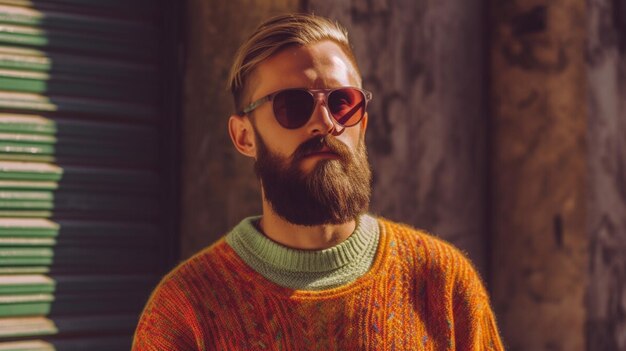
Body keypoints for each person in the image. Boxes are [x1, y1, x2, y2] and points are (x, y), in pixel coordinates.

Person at [132, 13, 504, 350]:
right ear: (244, 136)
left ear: (363, 123)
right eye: (292, 105)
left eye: (343, 103)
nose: (327, 123)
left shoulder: (442, 283)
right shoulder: (185, 311)